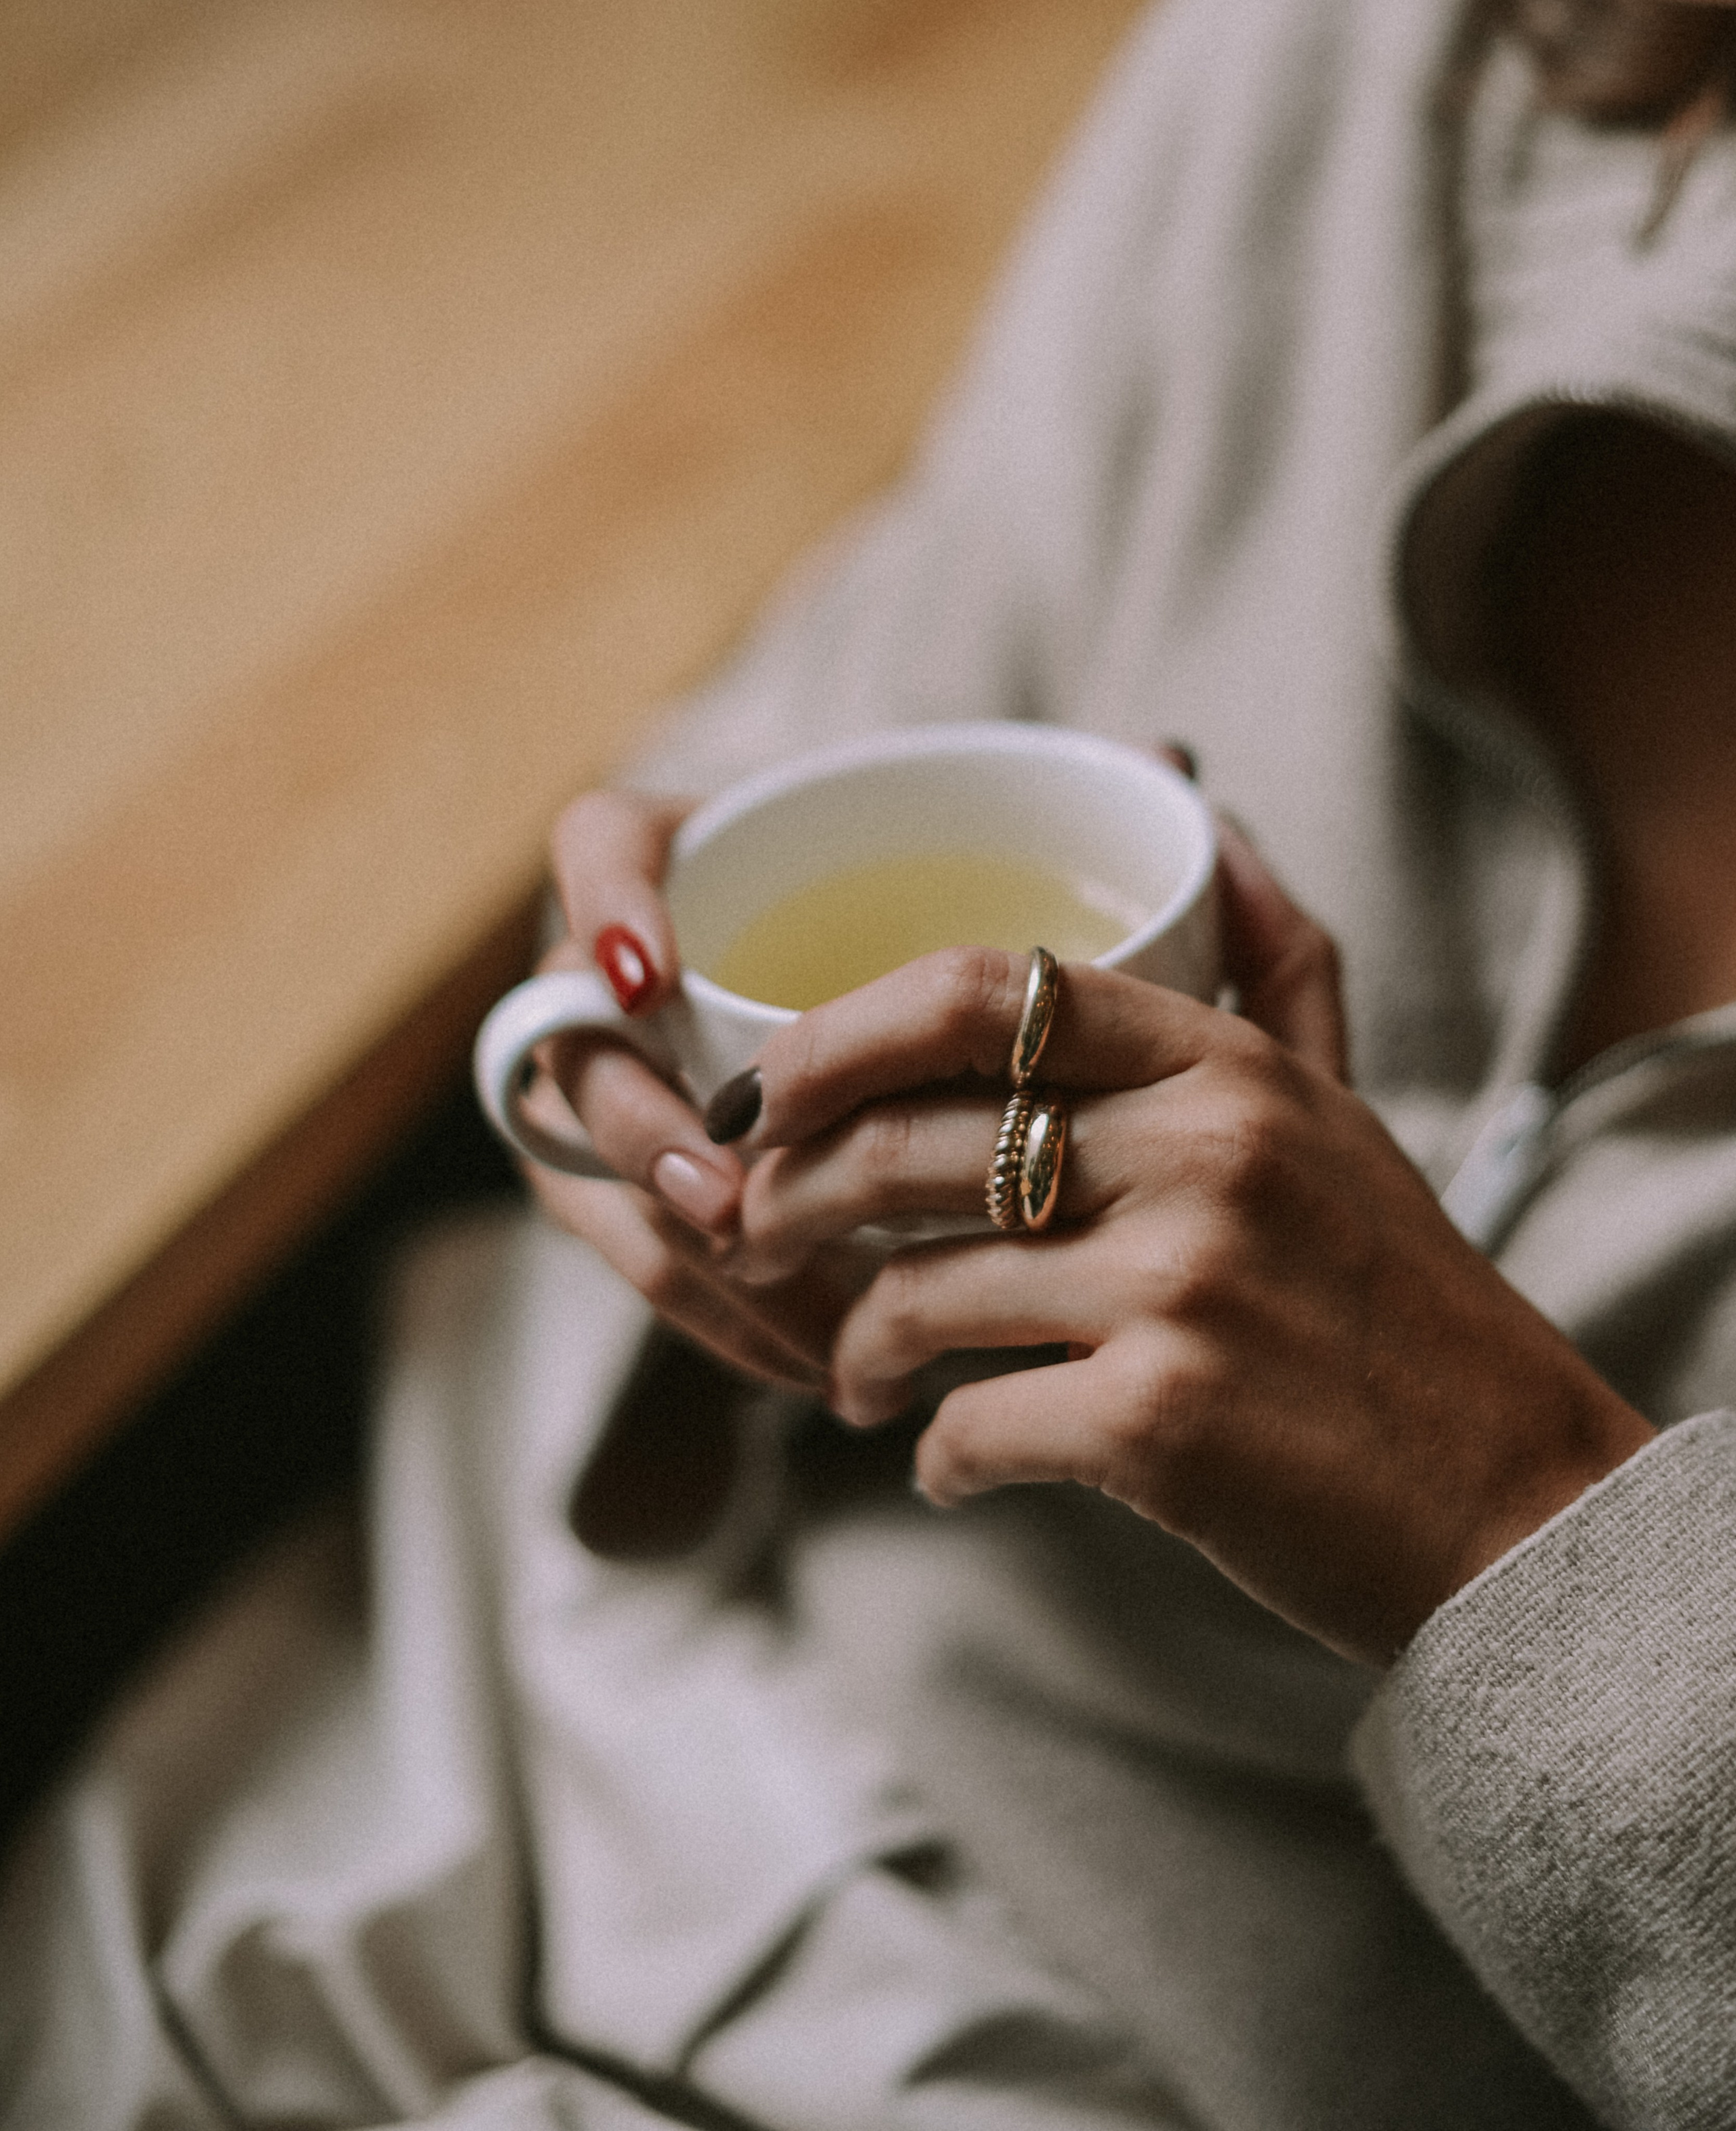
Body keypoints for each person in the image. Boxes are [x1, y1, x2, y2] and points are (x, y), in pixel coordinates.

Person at [4, 1, 1735, 2125]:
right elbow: (828, 717)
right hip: (539, 1672)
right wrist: (642, 999)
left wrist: (1510, 1512)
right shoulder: (1358, 55)